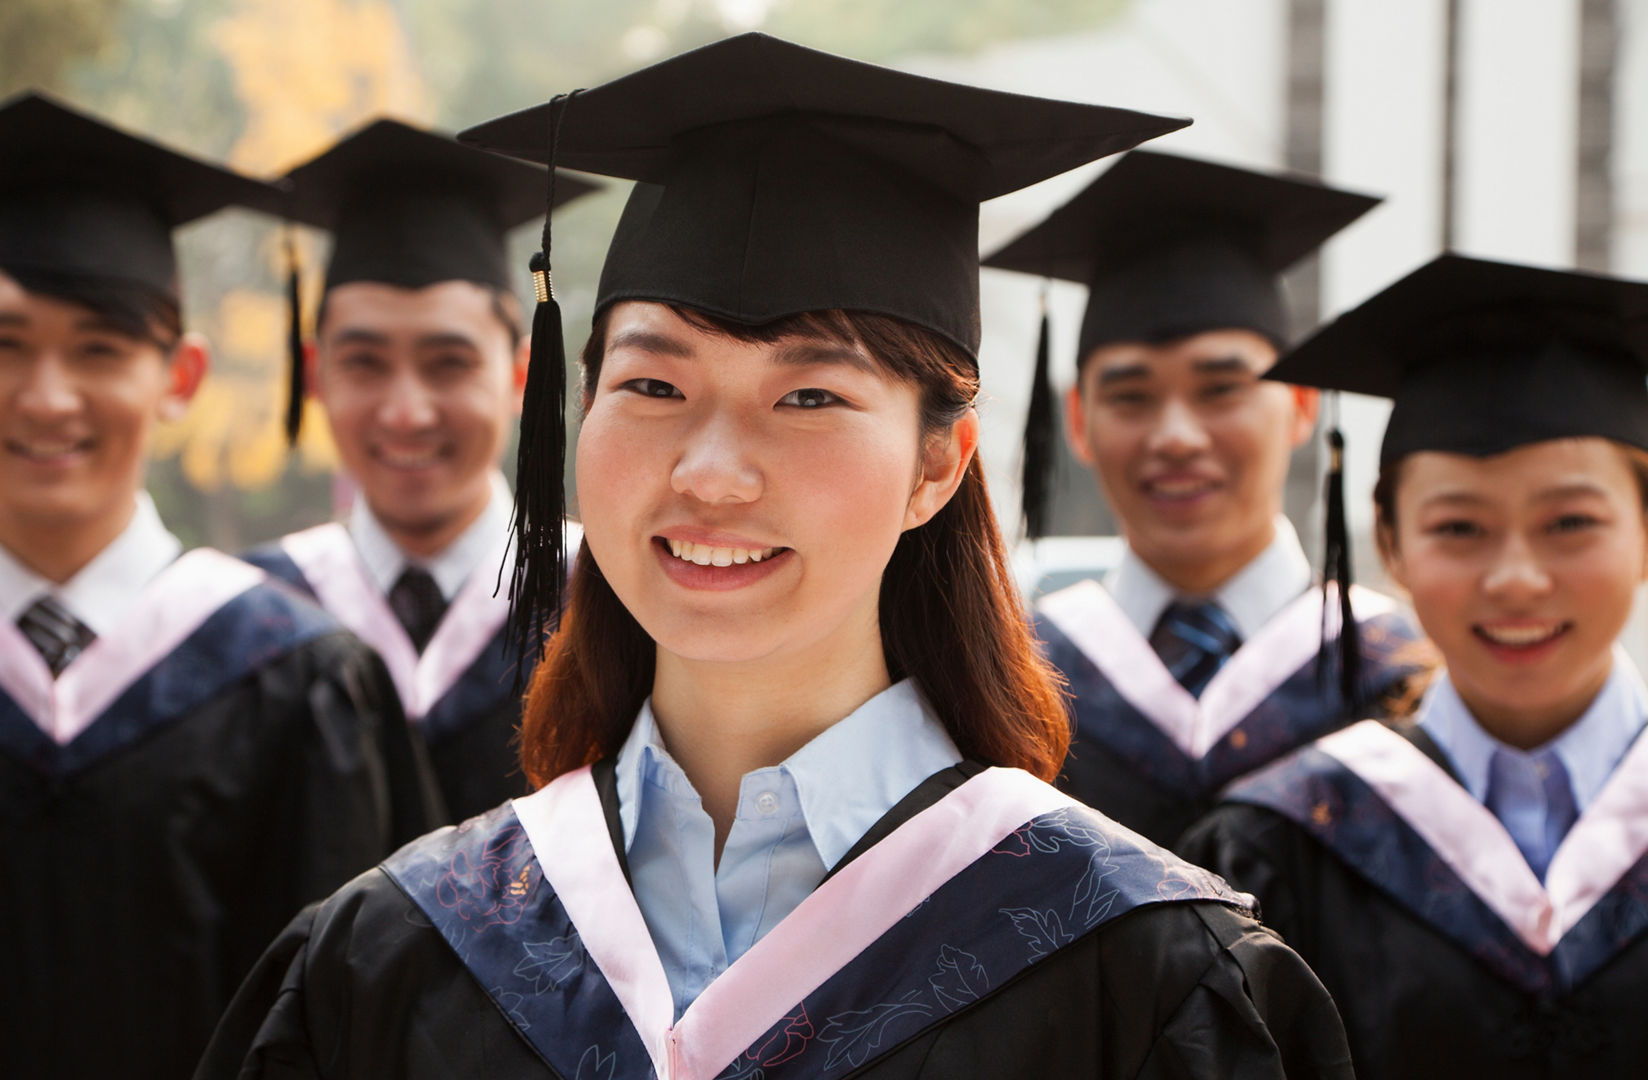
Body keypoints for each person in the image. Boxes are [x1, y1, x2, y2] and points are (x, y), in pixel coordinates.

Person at [198, 34, 1354, 1080]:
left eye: (808, 395)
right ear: (576, 408)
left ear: (938, 466)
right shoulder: (399, 952)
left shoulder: (1135, 973)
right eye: (653, 384)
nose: (709, 471)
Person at [0, 92, 441, 1080]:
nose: (48, 395)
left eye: (99, 349)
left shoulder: (300, 687)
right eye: (4, 343)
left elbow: (366, 1027)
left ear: (179, 377)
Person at [1182, 254, 1648, 1077]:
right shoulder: (1281, 847)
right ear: (1391, 544)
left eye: (1570, 521)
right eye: (1460, 529)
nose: (1516, 577)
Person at [984, 150, 1425, 847]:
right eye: (1131, 396)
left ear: (1301, 404)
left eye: (1221, 389)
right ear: (1078, 422)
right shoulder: (1006, 674)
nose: (1177, 436)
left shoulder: (1399, 674)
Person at [244, 120, 597, 820]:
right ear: (314, 374)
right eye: (364, 363)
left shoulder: (606, 598)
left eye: (449, 364)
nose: (406, 413)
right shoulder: (250, 616)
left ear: (521, 371)